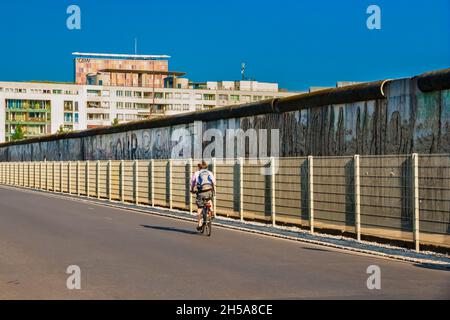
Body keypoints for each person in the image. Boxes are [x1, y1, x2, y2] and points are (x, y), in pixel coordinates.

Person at [190, 161, 216, 231]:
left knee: (199, 208)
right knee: (209, 199)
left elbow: (192, 183)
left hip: (201, 192)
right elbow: (214, 182)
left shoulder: (196, 173)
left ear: (199, 167)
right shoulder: (209, 173)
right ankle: (212, 211)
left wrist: (192, 190)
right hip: (209, 190)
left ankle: (200, 224)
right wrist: (213, 190)